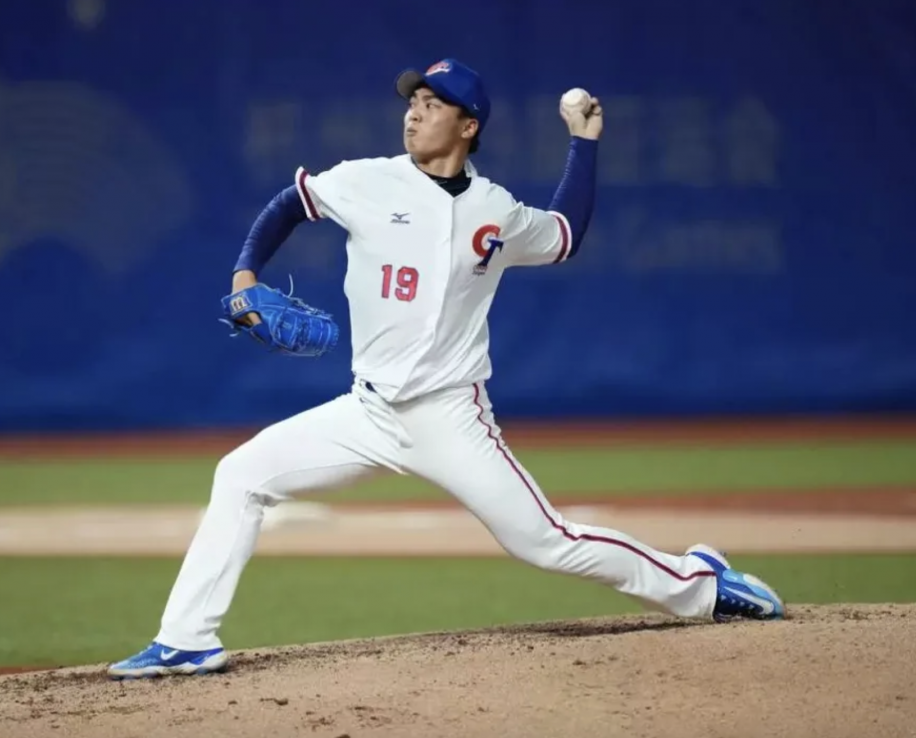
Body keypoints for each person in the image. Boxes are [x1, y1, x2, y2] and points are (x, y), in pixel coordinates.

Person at [107, 58, 785, 679]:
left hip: (452, 417)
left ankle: (700, 583)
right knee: (241, 475)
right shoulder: (367, 179)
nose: (414, 113)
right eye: (413, 102)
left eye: (432, 105)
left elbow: (565, 235)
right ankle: (187, 639)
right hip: (367, 412)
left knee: (546, 542)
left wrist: (584, 142)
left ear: (468, 126)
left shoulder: (496, 210)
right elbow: (290, 203)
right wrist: (245, 274)